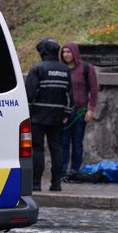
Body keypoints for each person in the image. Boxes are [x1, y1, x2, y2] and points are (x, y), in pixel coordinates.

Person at [26, 38, 73, 192]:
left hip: (38, 116)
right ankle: (56, 184)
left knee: (38, 148)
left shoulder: (38, 68)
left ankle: (35, 184)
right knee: (57, 149)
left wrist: (27, 110)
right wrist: (67, 113)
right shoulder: (65, 70)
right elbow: (70, 95)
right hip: (58, 117)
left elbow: (30, 94)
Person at [60, 42, 99, 179]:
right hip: (64, 113)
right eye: (64, 52)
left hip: (80, 112)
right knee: (63, 144)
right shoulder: (60, 69)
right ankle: (62, 172)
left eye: (68, 52)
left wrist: (91, 109)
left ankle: (74, 172)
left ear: (75, 53)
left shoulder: (86, 68)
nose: (66, 54)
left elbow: (94, 90)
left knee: (77, 143)